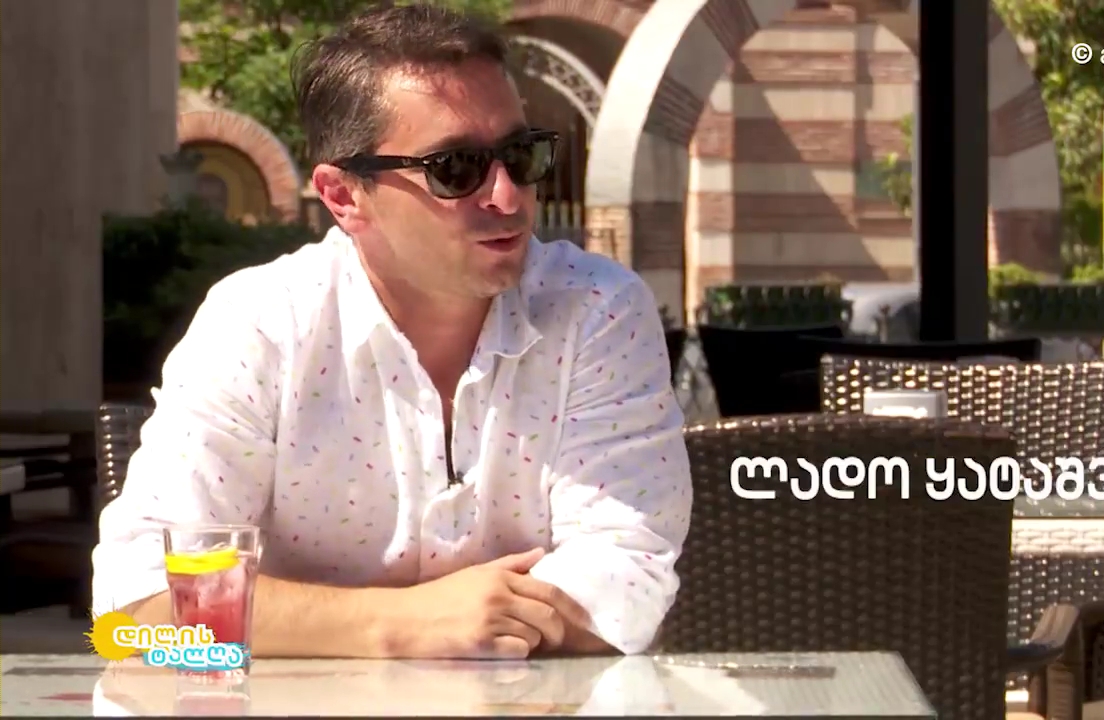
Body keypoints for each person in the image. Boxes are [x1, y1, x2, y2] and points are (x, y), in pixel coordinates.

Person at [92, 4, 692, 660]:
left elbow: (625, 574)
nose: (507, 196)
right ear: (343, 196)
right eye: (455, 168)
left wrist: (296, 619)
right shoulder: (261, 326)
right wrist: (404, 622)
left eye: (520, 156)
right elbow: (136, 610)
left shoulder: (597, 310)